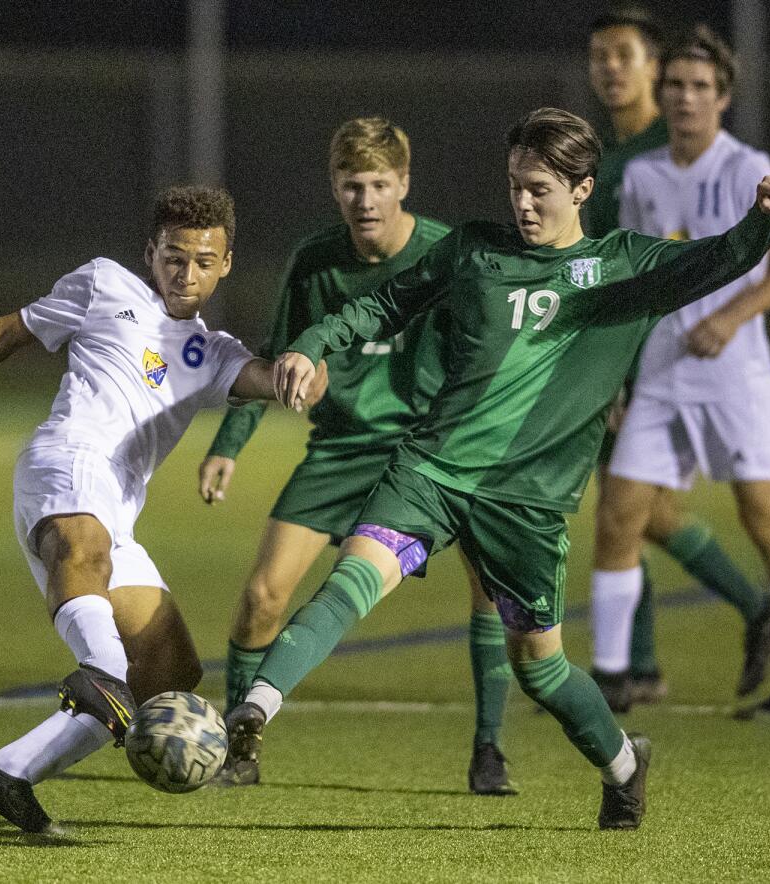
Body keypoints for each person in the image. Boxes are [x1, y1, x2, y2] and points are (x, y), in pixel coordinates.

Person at [227, 107, 770, 830]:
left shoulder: (624, 267)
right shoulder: (473, 251)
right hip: (431, 470)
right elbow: (381, 307)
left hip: (525, 504)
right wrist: (310, 344)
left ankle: (623, 764)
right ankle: (255, 707)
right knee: (352, 580)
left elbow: (718, 258)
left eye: (540, 189)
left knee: (540, 669)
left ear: (584, 187)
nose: (522, 204)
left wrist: (763, 217)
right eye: (515, 187)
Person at [0, 186, 326, 833]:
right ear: (151, 253)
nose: (187, 273)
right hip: (65, 462)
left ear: (225, 264)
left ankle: (8, 772)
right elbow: (1, 336)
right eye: (174, 257)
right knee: (94, 598)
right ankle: (100, 672)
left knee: (168, 671)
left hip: (116, 505)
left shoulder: (214, 351)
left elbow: (272, 381)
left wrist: (304, 369)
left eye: (204, 261)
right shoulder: (104, 284)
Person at [198, 117, 516, 794]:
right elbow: (275, 356)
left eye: (378, 184)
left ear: (404, 183)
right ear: (334, 187)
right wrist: (228, 446)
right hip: (341, 449)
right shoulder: (316, 260)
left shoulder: (448, 254)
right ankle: (239, 747)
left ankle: (490, 750)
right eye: (351, 185)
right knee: (261, 596)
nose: (364, 199)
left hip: (434, 451)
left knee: (492, 593)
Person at [595, 26, 770, 720]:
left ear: (723, 98)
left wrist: (731, 317)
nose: (687, 98)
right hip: (661, 374)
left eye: (701, 88)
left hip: (735, 378)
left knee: (765, 519)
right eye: (677, 88)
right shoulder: (640, 176)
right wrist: (619, 377)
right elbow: (633, 281)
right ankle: (610, 680)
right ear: (661, 96)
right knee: (619, 516)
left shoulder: (746, 166)